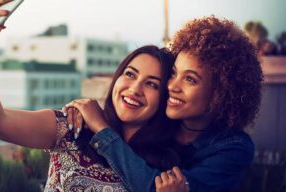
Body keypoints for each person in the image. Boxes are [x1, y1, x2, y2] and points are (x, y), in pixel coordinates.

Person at [0, 0, 184, 191]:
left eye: (151, 84)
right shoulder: (72, 127)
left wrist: (102, 128)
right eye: (130, 74)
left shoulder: (166, 169)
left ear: (165, 96)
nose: (135, 89)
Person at [65, 16, 263, 192]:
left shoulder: (233, 148)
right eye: (174, 73)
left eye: (190, 80)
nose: (171, 86)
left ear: (219, 94)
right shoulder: (163, 119)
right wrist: (84, 112)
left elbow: (154, 188)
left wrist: (102, 129)